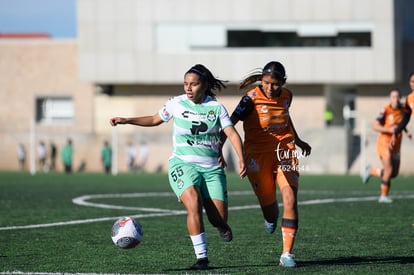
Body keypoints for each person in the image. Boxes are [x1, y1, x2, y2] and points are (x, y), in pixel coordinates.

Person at [110, 64, 246, 270]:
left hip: (211, 168)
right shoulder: (176, 104)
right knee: (193, 201)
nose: (188, 88)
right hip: (182, 164)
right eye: (185, 84)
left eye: (193, 84)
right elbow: (155, 119)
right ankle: (202, 259)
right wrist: (127, 120)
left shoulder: (216, 108)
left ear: (205, 85)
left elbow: (232, 133)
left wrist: (241, 158)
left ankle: (220, 225)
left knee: (218, 219)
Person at [221, 61, 311, 268]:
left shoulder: (287, 95)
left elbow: (286, 117)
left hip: (284, 153)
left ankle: (287, 254)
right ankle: (269, 218)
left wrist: (297, 140)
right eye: (267, 83)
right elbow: (229, 124)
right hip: (257, 156)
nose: (270, 88)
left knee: (290, 198)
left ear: (283, 83)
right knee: (271, 211)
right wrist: (219, 149)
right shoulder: (249, 99)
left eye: (275, 84)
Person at [362, 89, 411, 203]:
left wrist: (406, 130)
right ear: (390, 98)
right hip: (384, 142)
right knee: (389, 169)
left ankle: (371, 171)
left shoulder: (403, 110)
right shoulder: (385, 110)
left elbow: (401, 123)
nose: (396, 99)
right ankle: (383, 196)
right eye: (393, 97)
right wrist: (388, 129)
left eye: (398, 96)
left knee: (393, 173)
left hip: (396, 144)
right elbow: (375, 126)